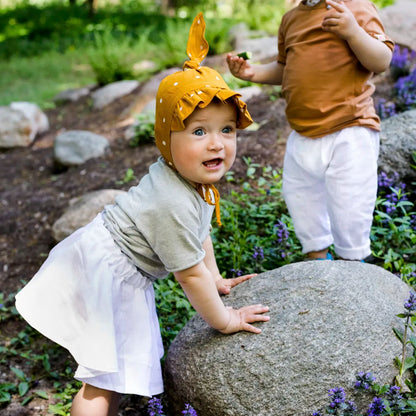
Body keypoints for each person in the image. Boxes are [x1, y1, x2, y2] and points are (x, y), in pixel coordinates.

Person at [15, 13, 270, 416]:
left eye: (227, 130)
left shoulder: (189, 182)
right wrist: (225, 320)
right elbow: (188, 275)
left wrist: (216, 276)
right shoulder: (172, 201)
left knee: (111, 375)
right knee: (102, 378)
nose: (217, 144)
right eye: (199, 131)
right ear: (167, 139)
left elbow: (199, 232)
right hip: (110, 271)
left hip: (113, 260)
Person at [227, 0, 394, 261]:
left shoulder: (357, 7)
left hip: (350, 128)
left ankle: (352, 262)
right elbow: (285, 68)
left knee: (350, 203)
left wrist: (353, 31)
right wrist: (252, 72)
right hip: (302, 132)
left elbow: (382, 59)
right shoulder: (291, 19)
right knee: (301, 197)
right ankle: (317, 259)